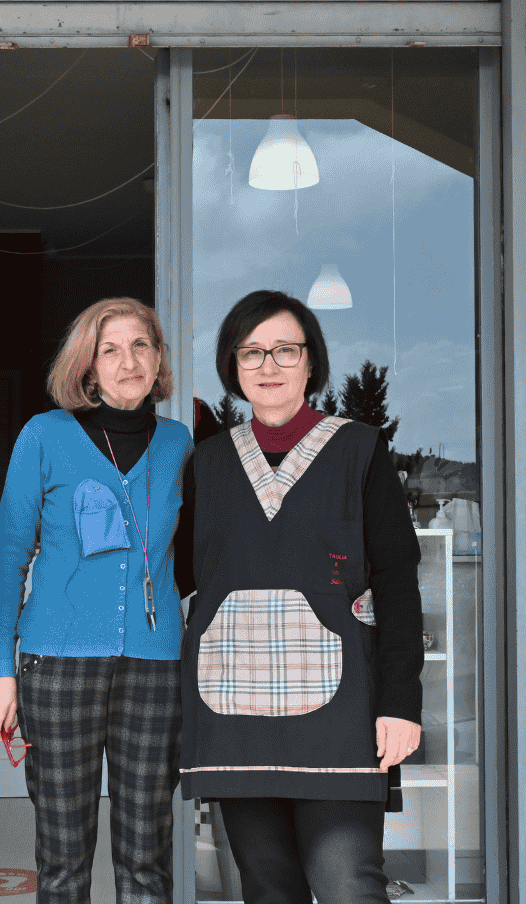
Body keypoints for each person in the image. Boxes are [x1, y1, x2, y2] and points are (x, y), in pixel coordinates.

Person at [180, 290, 424, 904]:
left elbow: (396, 580)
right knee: (268, 890)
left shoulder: (360, 449)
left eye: (285, 350)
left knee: (349, 885)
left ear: (311, 362)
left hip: (341, 711)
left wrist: (401, 702)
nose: (269, 365)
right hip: (234, 709)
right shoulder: (207, 463)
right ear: (233, 366)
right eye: (252, 352)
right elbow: (177, 573)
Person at [0, 297, 193, 904]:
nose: (129, 362)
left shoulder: (179, 443)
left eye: (141, 345)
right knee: (63, 858)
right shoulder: (44, 435)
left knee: (146, 855)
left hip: (155, 666)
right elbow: (9, 561)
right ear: (87, 365)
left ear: (158, 358)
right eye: (111, 349)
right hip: (56, 664)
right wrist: (1, 670)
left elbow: (195, 555)